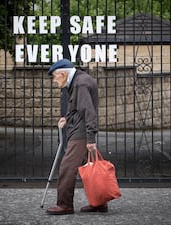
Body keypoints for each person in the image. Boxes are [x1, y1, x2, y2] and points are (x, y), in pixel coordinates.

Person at [46, 59, 107, 215]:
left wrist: (91, 138)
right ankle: (99, 203)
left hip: (80, 134)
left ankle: (64, 205)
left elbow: (89, 111)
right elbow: (77, 107)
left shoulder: (80, 84)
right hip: (79, 130)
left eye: (55, 77)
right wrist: (66, 117)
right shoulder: (78, 80)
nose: (54, 81)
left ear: (63, 73)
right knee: (91, 168)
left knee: (67, 167)